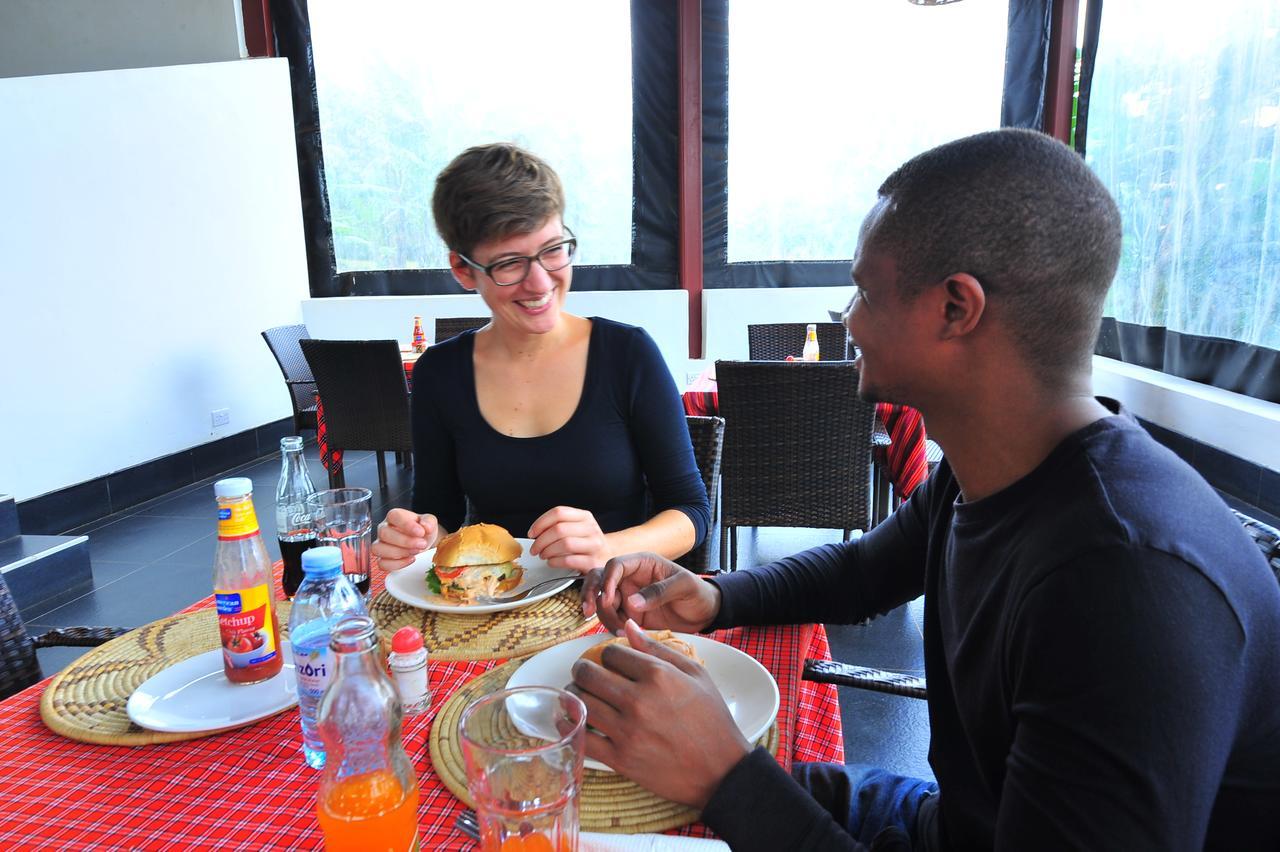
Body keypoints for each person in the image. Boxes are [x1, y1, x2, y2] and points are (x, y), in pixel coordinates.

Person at [571, 129, 1280, 850]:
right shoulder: (984, 473)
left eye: (864, 292)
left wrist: (725, 777)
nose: (846, 318)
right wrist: (716, 598)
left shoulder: (1125, 583)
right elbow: (865, 570)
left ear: (954, 309)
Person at [374, 143, 710, 574]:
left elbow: (691, 510)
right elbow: (441, 519)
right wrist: (416, 537)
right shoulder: (440, 373)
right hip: (495, 611)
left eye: (553, 250)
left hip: (614, 602)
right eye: (510, 263)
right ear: (462, 269)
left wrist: (607, 547)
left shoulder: (627, 354)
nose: (540, 282)